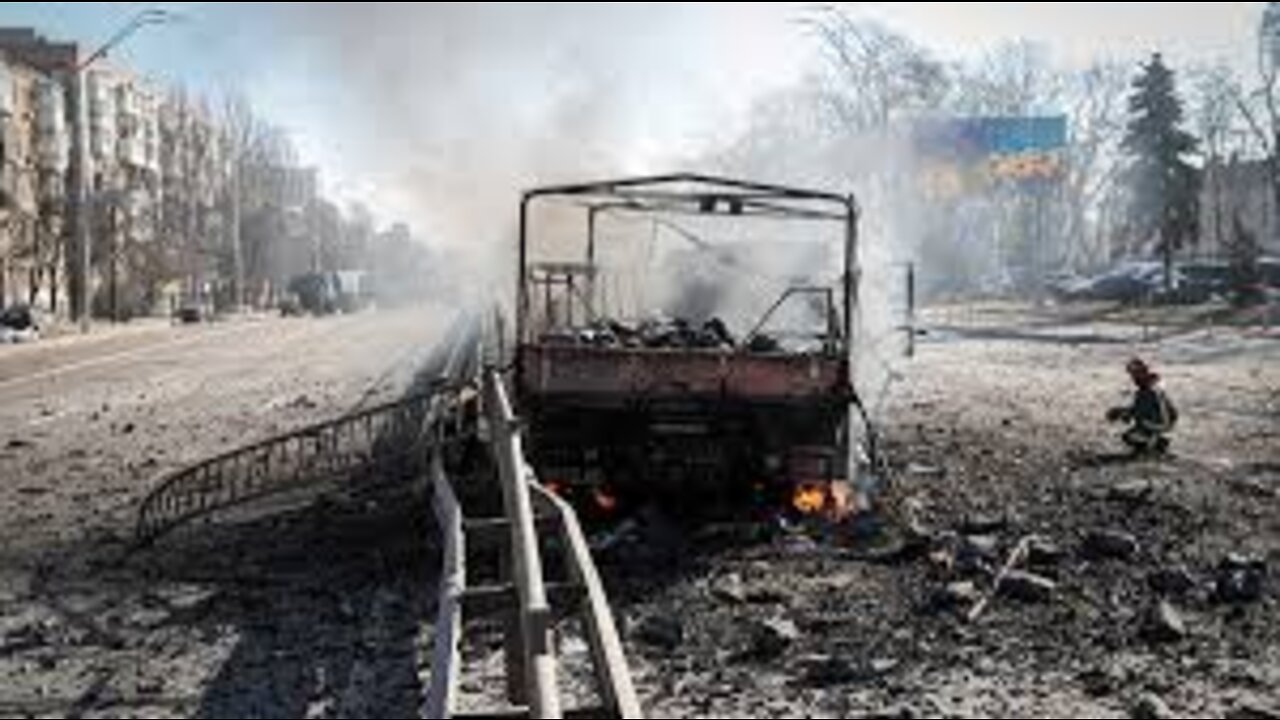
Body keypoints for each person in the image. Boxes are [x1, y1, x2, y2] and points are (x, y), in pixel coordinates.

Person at [1106, 358, 1178, 455]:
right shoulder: (1152, 386)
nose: (1134, 378)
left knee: (1130, 436)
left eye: (1136, 374)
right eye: (1132, 375)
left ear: (1144, 372)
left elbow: (1140, 411)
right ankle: (1153, 441)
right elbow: (1139, 408)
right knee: (1133, 431)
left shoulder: (1149, 390)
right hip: (1163, 420)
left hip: (1160, 422)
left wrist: (1122, 413)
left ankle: (1154, 444)